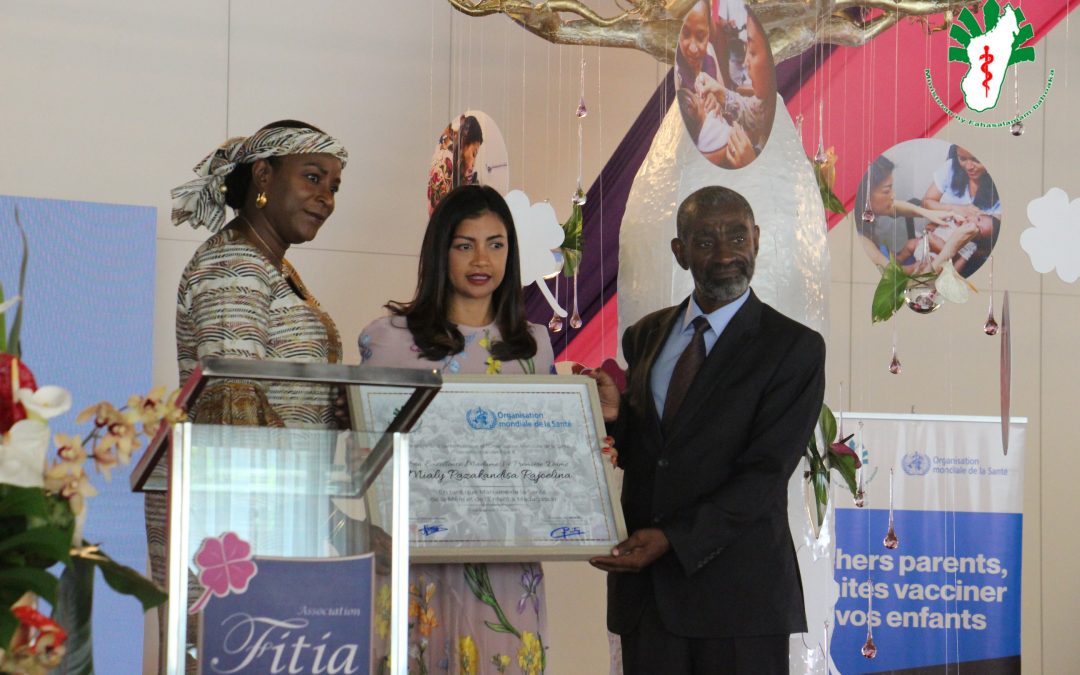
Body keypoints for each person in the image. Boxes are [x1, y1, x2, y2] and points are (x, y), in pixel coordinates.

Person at [589, 186, 825, 674]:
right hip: (649, 600)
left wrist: (671, 539)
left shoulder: (794, 349)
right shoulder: (646, 335)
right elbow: (653, 453)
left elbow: (765, 473)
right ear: (679, 252)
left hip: (739, 601)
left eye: (737, 236)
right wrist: (616, 417)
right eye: (704, 241)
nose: (724, 255)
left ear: (757, 240)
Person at [150, 119, 348, 671]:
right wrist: (326, 521)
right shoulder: (234, 264)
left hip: (267, 515)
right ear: (263, 174)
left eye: (333, 185)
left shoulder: (272, 266)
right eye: (312, 177)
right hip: (239, 520)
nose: (326, 198)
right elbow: (233, 415)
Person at [358, 185, 555, 672]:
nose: (481, 258)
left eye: (496, 243)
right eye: (464, 244)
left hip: (506, 566)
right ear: (440, 250)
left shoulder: (534, 348)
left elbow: (553, 457)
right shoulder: (388, 340)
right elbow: (366, 454)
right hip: (415, 560)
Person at [855, 155, 956, 274]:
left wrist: (929, 214)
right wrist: (952, 248)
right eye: (887, 191)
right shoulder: (864, 243)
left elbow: (896, 206)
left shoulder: (866, 211)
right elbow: (894, 277)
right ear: (865, 193)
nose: (893, 195)